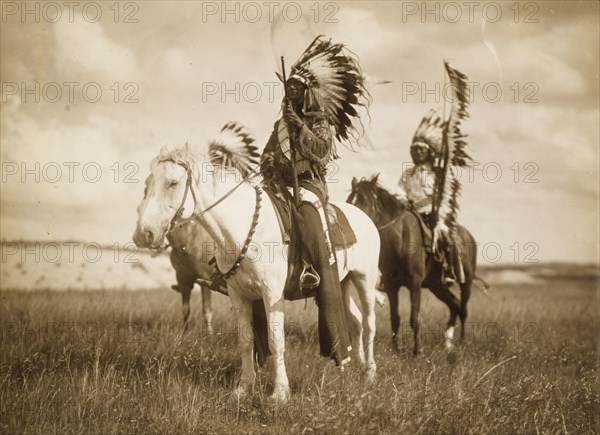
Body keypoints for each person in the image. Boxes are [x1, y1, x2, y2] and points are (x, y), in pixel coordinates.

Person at [260, 36, 370, 367]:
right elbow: (267, 155)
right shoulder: (279, 124)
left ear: (307, 91)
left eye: (296, 88)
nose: (290, 93)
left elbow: (322, 153)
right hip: (279, 186)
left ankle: (312, 270)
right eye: (288, 88)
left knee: (308, 216)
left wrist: (301, 129)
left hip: (309, 186)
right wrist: (266, 172)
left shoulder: (318, 120)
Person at [397, 110, 458, 286]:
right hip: (410, 214)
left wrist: (434, 212)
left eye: (420, 150)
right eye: (414, 150)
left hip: (432, 214)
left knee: (443, 235)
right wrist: (404, 202)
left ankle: (448, 269)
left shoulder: (438, 174)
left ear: (428, 152)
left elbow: (442, 198)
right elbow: (400, 192)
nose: (417, 153)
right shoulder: (407, 174)